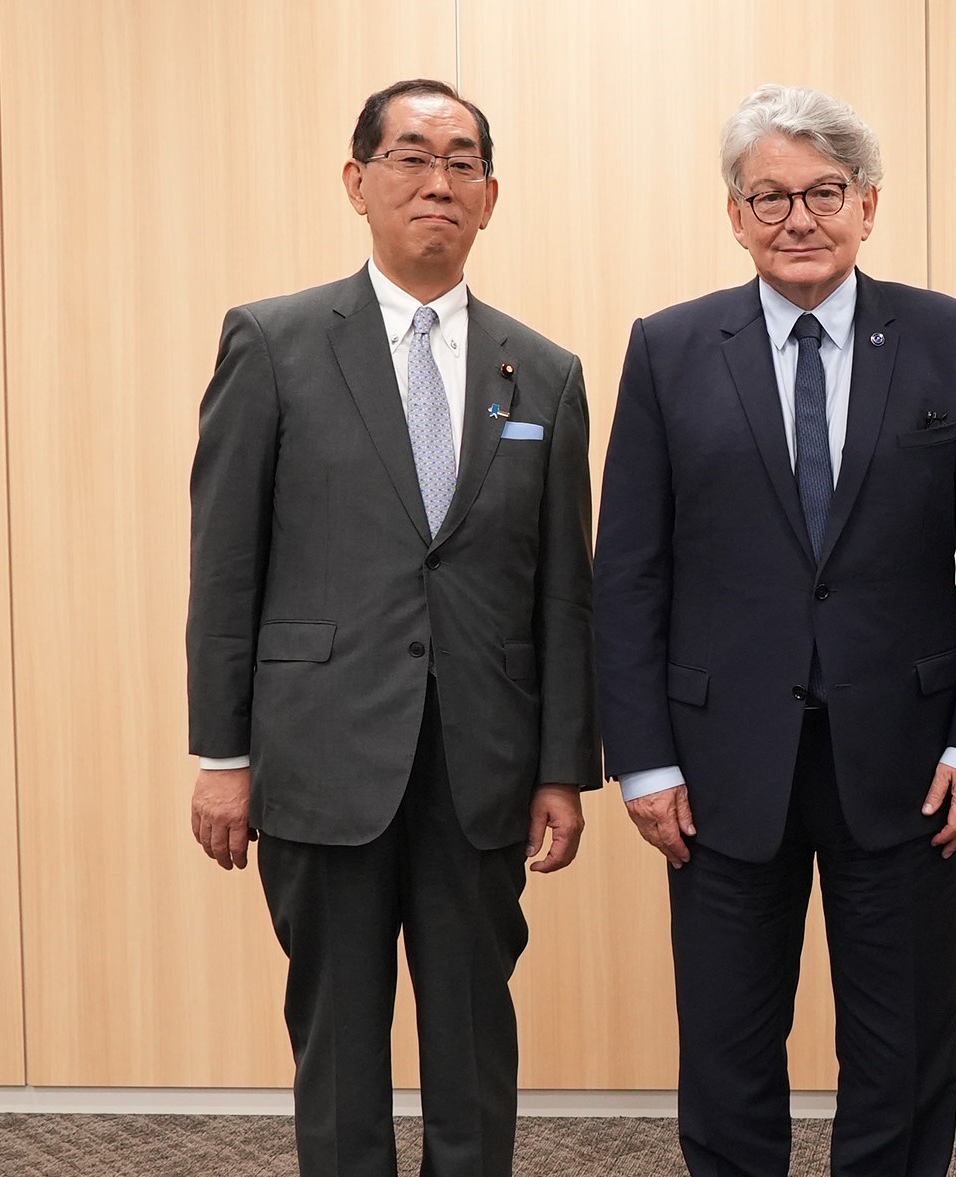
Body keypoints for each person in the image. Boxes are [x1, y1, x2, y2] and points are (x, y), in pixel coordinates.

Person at [593, 84, 956, 1177]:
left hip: (912, 760)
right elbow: (629, 573)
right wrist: (640, 760)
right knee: (730, 1046)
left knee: (904, 1044)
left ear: (868, 204)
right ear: (734, 214)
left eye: (824, 192)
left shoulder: (948, 338)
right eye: (771, 196)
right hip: (718, 761)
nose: (799, 218)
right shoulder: (669, 348)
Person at [186, 79, 599, 1176]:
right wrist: (223, 757)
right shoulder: (272, 344)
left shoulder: (544, 372)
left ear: (491, 196)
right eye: (412, 156)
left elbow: (563, 589)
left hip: (483, 765)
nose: (438, 181)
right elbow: (225, 570)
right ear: (357, 181)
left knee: (473, 1036)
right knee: (336, 1040)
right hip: (321, 754)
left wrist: (564, 767)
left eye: (463, 162)